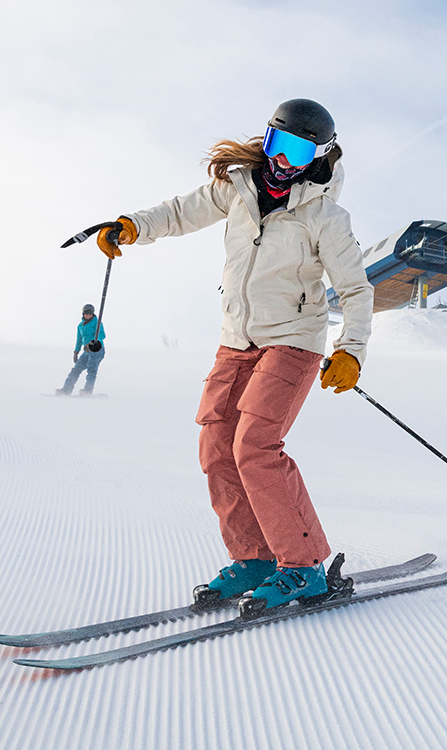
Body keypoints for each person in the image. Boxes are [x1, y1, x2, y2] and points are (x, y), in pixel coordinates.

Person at [93, 98, 373, 614]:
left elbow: (355, 288)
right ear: (267, 139)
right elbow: (179, 211)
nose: (285, 161)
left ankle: (303, 565)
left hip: (293, 338)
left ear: (319, 157)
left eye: (300, 151)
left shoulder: (325, 216)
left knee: (256, 446)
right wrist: (132, 225)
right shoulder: (237, 189)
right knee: (217, 447)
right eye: (278, 144)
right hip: (237, 338)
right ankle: (256, 558)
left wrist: (350, 350)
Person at [56, 303, 106, 396]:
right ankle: (66, 390)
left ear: (93, 314)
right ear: (83, 314)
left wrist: (92, 343)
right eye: (86, 313)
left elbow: (102, 335)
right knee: (76, 370)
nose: (88, 315)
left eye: (90, 313)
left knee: (91, 370)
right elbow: (79, 339)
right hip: (86, 351)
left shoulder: (97, 323)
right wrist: (76, 351)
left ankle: (87, 390)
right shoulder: (80, 326)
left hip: (97, 350)